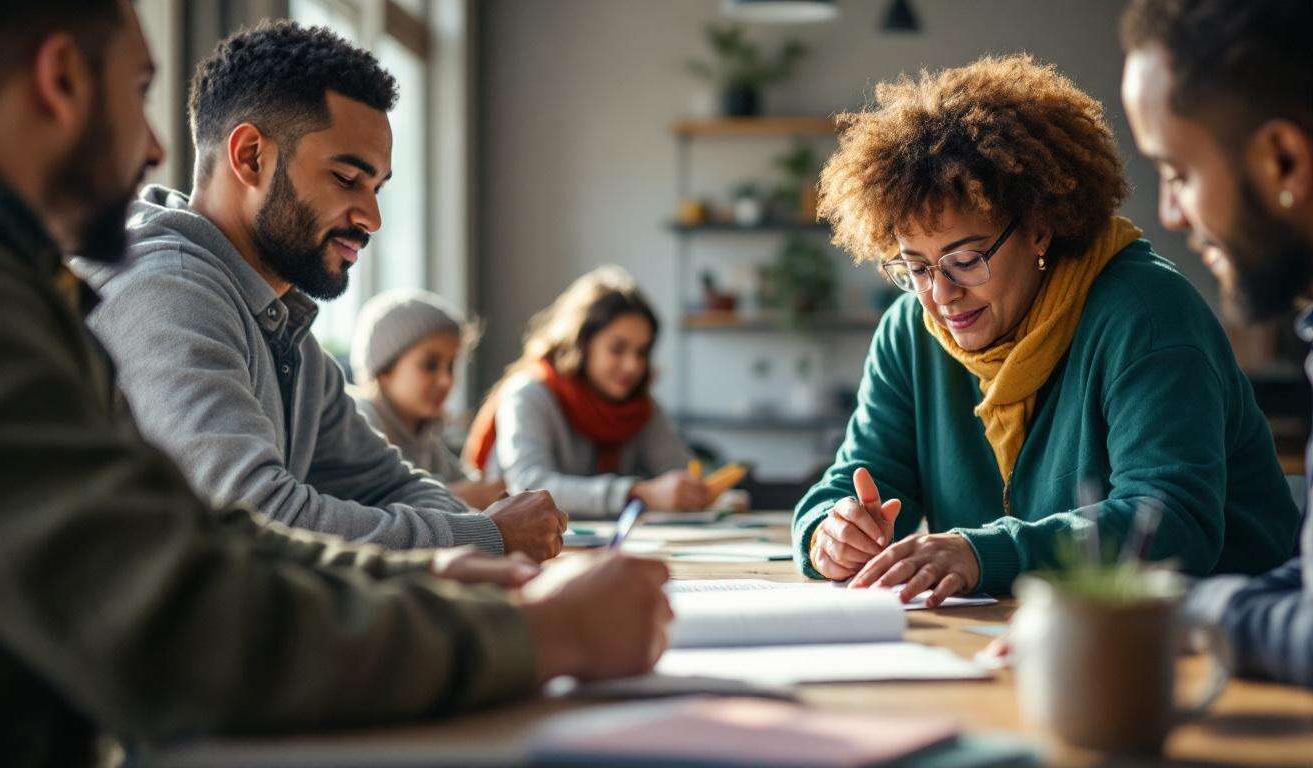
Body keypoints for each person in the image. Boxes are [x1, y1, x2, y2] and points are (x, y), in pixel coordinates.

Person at [0, 3, 672, 764]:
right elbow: (184, 613)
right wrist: (543, 631)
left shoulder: (260, 313)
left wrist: (444, 564)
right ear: (61, 79)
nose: (153, 146)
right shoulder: (124, 291)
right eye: (138, 92)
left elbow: (231, 527)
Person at [797, 54, 1298, 607]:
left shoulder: (1146, 313)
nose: (941, 295)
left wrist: (981, 553)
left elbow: (1171, 520)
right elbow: (859, 479)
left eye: (966, 259)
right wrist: (831, 530)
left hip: (1228, 638)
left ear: (1039, 230)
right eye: (916, 268)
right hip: (1036, 627)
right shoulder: (909, 332)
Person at [71, 20, 564, 562]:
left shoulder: (284, 321)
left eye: (377, 188)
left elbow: (384, 484)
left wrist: (489, 535)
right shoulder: (170, 293)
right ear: (251, 156)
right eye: (347, 179)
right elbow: (257, 519)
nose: (372, 218)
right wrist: (486, 538)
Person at [1121, 0, 1313, 686]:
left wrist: (1175, 615)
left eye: (1178, 173)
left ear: (1283, 160)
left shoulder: (1143, 305)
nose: (1171, 214)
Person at [465, 266, 709, 517]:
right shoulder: (528, 394)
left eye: (642, 352)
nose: (632, 365)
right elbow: (527, 487)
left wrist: (703, 493)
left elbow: (677, 471)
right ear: (581, 344)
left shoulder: (639, 407)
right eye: (617, 349)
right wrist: (636, 493)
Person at [348, 289, 506, 509]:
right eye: (430, 365)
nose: (445, 380)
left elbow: (466, 482)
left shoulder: (425, 434)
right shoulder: (359, 420)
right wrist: (461, 495)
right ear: (384, 370)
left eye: (451, 366)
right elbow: (369, 504)